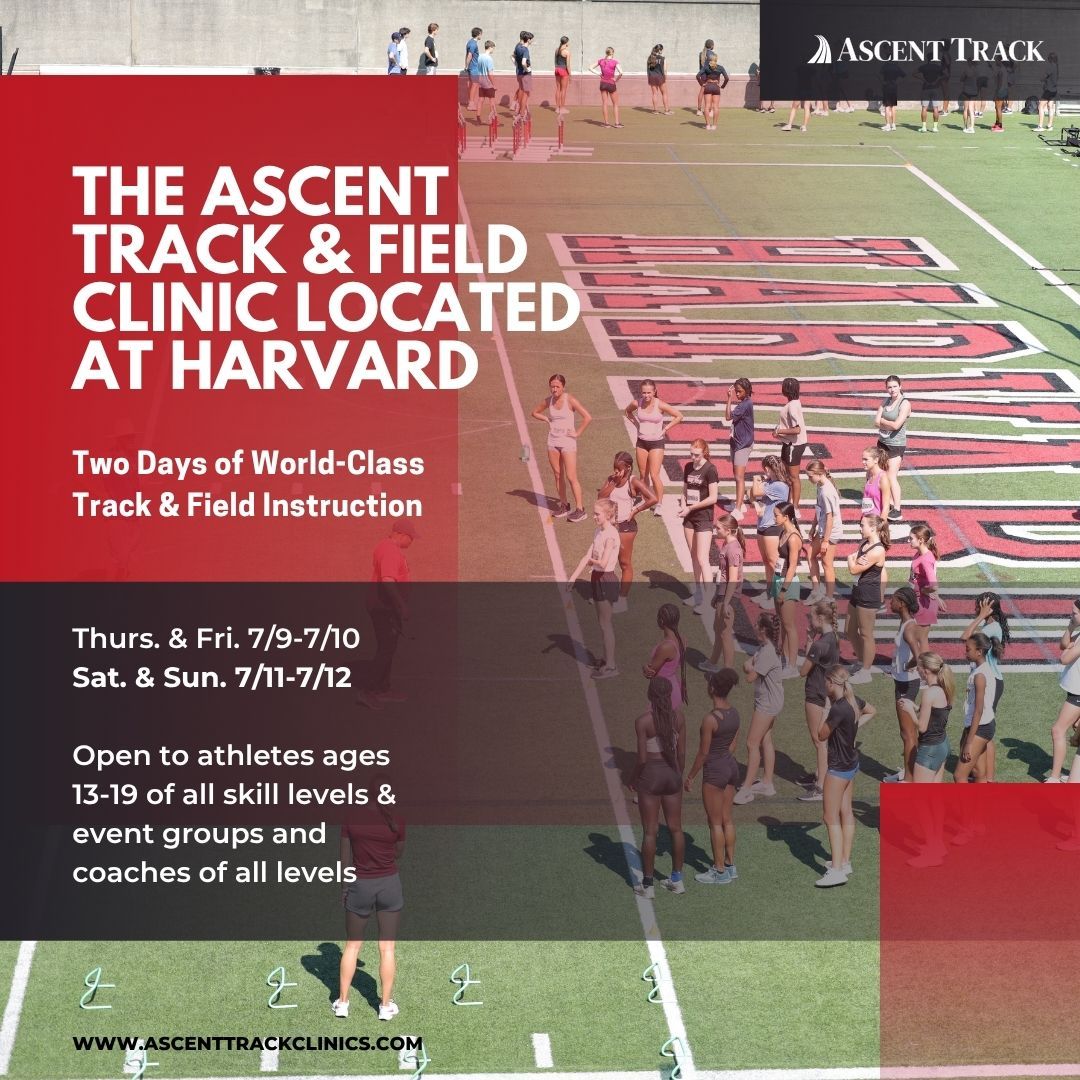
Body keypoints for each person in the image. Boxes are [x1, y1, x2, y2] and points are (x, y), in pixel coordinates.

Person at [334, 802, 405, 1021]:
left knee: (352, 945)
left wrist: (345, 887)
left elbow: (345, 859)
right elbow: (398, 854)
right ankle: (384, 1006)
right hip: (389, 885)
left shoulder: (351, 818)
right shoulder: (397, 819)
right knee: (387, 949)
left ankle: (343, 1003)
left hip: (360, 886)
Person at [813, 666, 875, 886]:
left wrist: (825, 708)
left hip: (838, 768)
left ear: (831, 682)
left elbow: (820, 735)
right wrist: (855, 727)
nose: (823, 686)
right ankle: (845, 861)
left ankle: (837, 870)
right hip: (851, 764)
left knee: (830, 817)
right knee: (846, 811)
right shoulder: (852, 700)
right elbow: (872, 710)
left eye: (825, 682)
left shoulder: (838, 708)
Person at [630, 676, 686, 897]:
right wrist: (677, 775)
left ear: (650, 695)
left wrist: (633, 778)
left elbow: (642, 759)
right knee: (676, 828)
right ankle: (677, 880)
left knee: (650, 831)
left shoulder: (643, 721)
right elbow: (681, 753)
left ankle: (648, 885)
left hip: (651, 776)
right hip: (672, 775)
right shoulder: (679, 718)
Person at [686, 668, 741, 883]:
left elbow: (703, 753)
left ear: (712, 689)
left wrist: (690, 776)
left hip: (715, 772)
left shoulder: (710, 719)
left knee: (715, 822)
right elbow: (733, 744)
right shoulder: (735, 713)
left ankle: (718, 871)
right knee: (727, 818)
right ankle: (730, 864)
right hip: (731, 767)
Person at [356, 520, 417, 711]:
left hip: (384, 606)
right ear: (401, 534)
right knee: (386, 649)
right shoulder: (390, 551)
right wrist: (401, 606)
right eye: (411, 537)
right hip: (384, 607)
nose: (412, 541)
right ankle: (367, 691)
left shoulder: (386, 547)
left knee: (388, 647)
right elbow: (388, 580)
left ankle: (383, 689)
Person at [567, 500, 621, 679]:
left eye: (597, 514)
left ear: (608, 515)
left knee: (606, 625)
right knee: (602, 624)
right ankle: (606, 659)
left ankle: (611, 666)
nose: (594, 516)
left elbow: (603, 563)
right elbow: (587, 555)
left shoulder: (611, 535)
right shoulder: (599, 531)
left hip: (606, 579)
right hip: (597, 578)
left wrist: (593, 562)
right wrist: (573, 577)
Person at [598, 451, 657, 612]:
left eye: (619, 469)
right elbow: (600, 497)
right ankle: (604, 594)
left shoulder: (633, 481)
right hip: (610, 527)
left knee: (624, 563)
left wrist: (635, 510)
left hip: (625, 527)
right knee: (603, 561)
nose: (616, 471)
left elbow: (653, 498)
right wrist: (612, 483)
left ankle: (622, 600)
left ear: (628, 468)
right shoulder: (611, 479)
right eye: (614, 468)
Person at [797, 598, 841, 802]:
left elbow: (803, 671)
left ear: (820, 618)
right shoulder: (832, 639)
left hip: (816, 695)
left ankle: (821, 786)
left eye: (811, 616)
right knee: (822, 740)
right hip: (826, 694)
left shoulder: (820, 644)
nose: (809, 619)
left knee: (819, 740)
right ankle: (819, 775)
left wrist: (809, 643)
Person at [532, 373, 591, 523]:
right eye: (552, 386)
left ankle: (580, 509)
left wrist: (577, 433)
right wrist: (546, 418)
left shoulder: (569, 400)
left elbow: (587, 417)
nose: (554, 389)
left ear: (563, 387)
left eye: (557, 387)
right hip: (552, 441)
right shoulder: (548, 401)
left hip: (568, 442)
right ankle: (564, 505)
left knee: (571, 477)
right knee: (558, 475)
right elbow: (534, 412)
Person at [739, 613, 784, 802]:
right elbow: (748, 667)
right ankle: (767, 783)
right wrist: (749, 665)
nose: (754, 626)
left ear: (764, 629)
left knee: (751, 743)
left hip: (767, 703)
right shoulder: (765, 647)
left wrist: (749, 665)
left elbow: (749, 675)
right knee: (765, 740)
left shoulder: (767, 653)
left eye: (756, 623)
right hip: (769, 700)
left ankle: (747, 789)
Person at [625, 379, 683, 516]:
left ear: (654, 391)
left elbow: (679, 416)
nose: (646, 395)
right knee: (643, 474)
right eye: (644, 393)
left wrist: (665, 429)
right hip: (642, 442)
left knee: (654, 474)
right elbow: (627, 412)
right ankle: (647, 500)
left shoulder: (660, 404)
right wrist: (637, 425)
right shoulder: (636, 403)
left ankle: (659, 503)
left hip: (656, 443)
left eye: (649, 392)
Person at [846, 514, 889, 684]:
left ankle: (866, 671)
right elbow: (857, 562)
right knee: (849, 630)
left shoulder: (878, 550)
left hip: (868, 596)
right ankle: (861, 661)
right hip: (857, 592)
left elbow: (854, 569)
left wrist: (850, 560)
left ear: (872, 528)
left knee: (866, 634)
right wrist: (854, 561)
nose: (859, 527)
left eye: (862, 525)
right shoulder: (864, 543)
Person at [678, 439, 720, 611]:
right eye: (691, 454)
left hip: (703, 517)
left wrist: (691, 507)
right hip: (689, 517)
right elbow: (685, 490)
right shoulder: (688, 467)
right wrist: (683, 505)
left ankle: (708, 600)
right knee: (694, 556)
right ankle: (698, 593)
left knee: (703, 559)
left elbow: (713, 498)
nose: (693, 457)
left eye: (696, 454)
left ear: (704, 452)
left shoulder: (710, 469)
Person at [886, 587, 922, 783]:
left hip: (906, 684)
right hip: (903, 681)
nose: (890, 602)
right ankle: (910, 772)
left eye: (894, 600)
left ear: (902, 604)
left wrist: (907, 666)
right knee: (909, 733)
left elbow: (919, 657)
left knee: (907, 733)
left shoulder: (908, 627)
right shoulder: (907, 623)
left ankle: (909, 778)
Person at [703, 513, 745, 673]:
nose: (715, 530)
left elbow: (733, 579)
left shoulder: (733, 550)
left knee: (725, 633)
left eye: (718, 528)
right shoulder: (727, 545)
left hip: (729, 596)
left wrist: (726, 602)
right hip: (724, 593)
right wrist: (717, 595)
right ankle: (713, 662)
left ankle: (728, 671)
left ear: (727, 530)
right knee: (718, 628)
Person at [954, 632, 996, 786]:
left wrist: (969, 742)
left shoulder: (980, 675)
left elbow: (978, 710)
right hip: (983, 726)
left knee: (959, 776)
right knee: (979, 773)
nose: (966, 652)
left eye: (968, 649)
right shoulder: (980, 669)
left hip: (980, 728)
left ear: (979, 652)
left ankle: (965, 810)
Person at [1048, 597, 1080, 782]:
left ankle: (1054, 776)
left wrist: (1068, 649)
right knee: (1077, 730)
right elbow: (1063, 645)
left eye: (1074, 613)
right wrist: (1071, 626)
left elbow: (1064, 658)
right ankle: (1076, 773)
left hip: (1078, 694)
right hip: (1076, 691)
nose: (1071, 615)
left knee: (1058, 730)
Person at [770, 501, 804, 676]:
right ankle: (783, 659)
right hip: (778, 579)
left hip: (787, 583)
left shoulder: (793, 537)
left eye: (776, 515)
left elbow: (792, 566)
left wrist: (783, 590)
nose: (774, 518)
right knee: (782, 622)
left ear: (786, 517)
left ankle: (792, 666)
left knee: (789, 626)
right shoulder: (783, 532)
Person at [749, 455, 790, 603]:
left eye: (764, 469)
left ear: (767, 468)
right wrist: (755, 504)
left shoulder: (780, 485)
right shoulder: (770, 482)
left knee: (773, 562)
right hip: (762, 526)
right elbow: (751, 493)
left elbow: (756, 492)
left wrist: (756, 480)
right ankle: (768, 593)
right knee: (766, 562)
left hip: (773, 527)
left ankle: (777, 596)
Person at [806, 460, 842, 602]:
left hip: (830, 532)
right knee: (810, 555)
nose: (809, 479)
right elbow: (819, 509)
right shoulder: (820, 485)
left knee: (827, 564)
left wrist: (826, 540)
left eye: (810, 476)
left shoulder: (827, 491)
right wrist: (813, 527)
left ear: (819, 474)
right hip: (822, 529)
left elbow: (830, 518)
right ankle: (817, 590)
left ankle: (829, 597)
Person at [874, 376, 909, 521]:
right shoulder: (886, 401)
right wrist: (884, 422)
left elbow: (896, 425)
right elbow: (875, 422)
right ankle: (887, 503)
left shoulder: (905, 403)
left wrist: (882, 421)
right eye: (889, 387)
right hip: (882, 442)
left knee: (891, 476)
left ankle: (897, 509)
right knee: (880, 474)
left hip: (896, 445)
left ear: (900, 386)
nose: (892, 389)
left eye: (895, 386)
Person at [643, 603, 689, 711]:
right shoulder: (682, 639)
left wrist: (644, 667)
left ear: (661, 621)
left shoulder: (666, 647)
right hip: (673, 687)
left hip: (663, 692)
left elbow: (650, 673)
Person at [907, 524, 943, 655]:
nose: (908, 541)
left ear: (921, 540)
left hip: (924, 603)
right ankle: (910, 667)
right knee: (910, 637)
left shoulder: (926, 559)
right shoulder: (919, 554)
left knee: (920, 640)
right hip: (918, 601)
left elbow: (934, 585)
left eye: (911, 538)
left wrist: (922, 591)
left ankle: (923, 669)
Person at [774, 377, 808, 512]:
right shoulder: (795, 403)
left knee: (793, 477)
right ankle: (789, 503)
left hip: (793, 445)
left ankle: (795, 507)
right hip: (790, 443)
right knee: (787, 476)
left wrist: (779, 431)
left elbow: (796, 429)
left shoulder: (792, 406)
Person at [722, 377, 754, 520]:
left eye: (739, 391)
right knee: (737, 475)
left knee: (739, 477)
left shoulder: (745, 405)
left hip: (743, 444)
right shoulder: (744, 403)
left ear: (747, 391)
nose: (737, 394)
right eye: (735, 391)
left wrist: (728, 399)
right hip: (737, 442)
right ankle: (739, 503)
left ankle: (739, 509)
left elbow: (728, 416)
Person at [590, 47, 623, 128]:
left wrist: (598, 74)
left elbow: (590, 68)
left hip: (603, 83)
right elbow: (621, 72)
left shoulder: (601, 61)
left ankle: (606, 123)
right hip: (611, 83)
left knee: (605, 103)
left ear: (606, 53)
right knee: (615, 104)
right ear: (612, 53)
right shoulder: (615, 62)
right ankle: (617, 123)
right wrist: (616, 79)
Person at [860, 446, 892, 522]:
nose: (863, 462)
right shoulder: (869, 475)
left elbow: (886, 507)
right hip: (866, 519)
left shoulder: (882, 478)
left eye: (866, 460)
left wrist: (881, 526)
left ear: (876, 460)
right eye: (862, 459)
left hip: (876, 522)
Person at [699, 56, 729, 131]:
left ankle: (708, 125)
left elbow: (697, 76)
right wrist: (722, 86)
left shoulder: (706, 67)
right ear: (716, 60)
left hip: (708, 86)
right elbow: (727, 78)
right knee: (716, 107)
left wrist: (702, 84)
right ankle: (714, 125)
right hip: (716, 87)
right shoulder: (720, 67)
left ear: (709, 60)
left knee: (706, 106)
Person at [917, 56, 944, 132]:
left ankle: (924, 127)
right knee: (936, 108)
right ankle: (935, 127)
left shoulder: (924, 67)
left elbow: (914, 73)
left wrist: (923, 80)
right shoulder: (938, 67)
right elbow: (944, 75)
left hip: (926, 88)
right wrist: (937, 81)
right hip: (935, 88)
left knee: (924, 108)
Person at [513, 31, 534, 117]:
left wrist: (516, 65)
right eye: (531, 40)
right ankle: (522, 113)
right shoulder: (525, 50)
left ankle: (519, 111)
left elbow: (512, 56)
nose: (532, 41)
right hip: (525, 74)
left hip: (519, 73)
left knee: (521, 92)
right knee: (526, 93)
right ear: (528, 40)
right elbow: (523, 62)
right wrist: (526, 69)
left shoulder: (518, 47)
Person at [647, 44, 672, 115]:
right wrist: (665, 78)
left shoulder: (650, 58)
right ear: (660, 50)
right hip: (660, 77)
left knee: (654, 93)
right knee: (664, 93)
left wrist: (649, 77)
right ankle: (666, 110)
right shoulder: (663, 58)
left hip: (652, 77)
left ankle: (655, 110)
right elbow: (665, 70)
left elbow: (648, 69)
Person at [477, 41, 497, 125]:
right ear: (490, 47)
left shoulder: (479, 56)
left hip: (480, 81)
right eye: (493, 48)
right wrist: (494, 84)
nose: (493, 50)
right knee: (492, 101)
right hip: (487, 82)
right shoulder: (489, 59)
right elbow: (490, 73)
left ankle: (478, 117)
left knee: (481, 99)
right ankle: (493, 119)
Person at [1037, 52, 1059, 132]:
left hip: (1048, 90)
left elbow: (1043, 77)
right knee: (1050, 106)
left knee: (1041, 106)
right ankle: (1050, 125)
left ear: (1049, 59)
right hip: (1054, 90)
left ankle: (1040, 126)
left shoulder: (1051, 66)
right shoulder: (1056, 66)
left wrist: (1041, 78)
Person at [880, 60, 904, 131]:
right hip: (894, 87)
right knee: (893, 106)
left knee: (887, 106)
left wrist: (883, 83)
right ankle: (893, 125)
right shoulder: (896, 67)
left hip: (887, 87)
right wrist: (896, 83)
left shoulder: (885, 66)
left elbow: (879, 74)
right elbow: (904, 75)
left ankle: (888, 125)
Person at [696, 39, 716, 116]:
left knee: (702, 91)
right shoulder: (712, 54)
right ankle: (709, 111)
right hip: (710, 75)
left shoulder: (701, 53)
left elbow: (700, 66)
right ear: (711, 46)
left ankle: (699, 110)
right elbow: (713, 66)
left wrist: (701, 74)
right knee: (710, 93)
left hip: (702, 74)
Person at [464, 27, 482, 110]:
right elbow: (469, 55)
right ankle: (471, 104)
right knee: (475, 84)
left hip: (472, 67)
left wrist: (467, 66)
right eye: (481, 34)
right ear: (478, 34)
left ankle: (471, 102)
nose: (481, 35)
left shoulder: (469, 42)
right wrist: (466, 66)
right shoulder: (473, 44)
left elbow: (468, 54)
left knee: (473, 84)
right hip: (473, 67)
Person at [958, 58, 978, 132]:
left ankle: (965, 126)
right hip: (974, 91)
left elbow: (961, 79)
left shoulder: (966, 70)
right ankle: (972, 127)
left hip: (966, 91)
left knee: (965, 109)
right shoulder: (976, 71)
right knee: (971, 109)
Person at [554, 36, 572, 116]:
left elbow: (555, 61)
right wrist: (570, 74)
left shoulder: (556, 50)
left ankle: (557, 108)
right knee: (563, 90)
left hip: (557, 69)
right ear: (567, 42)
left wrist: (557, 68)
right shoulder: (567, 52)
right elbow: (568, 65)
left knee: (558, 89)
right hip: (563, 70)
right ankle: (562, 108)